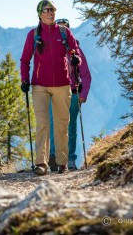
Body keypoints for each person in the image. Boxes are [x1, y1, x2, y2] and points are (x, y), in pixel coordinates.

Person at [20, 0, 81, 175]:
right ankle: (41, 163)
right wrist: (25, 80)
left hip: (62, 84)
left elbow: (74, 50)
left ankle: (62, 163)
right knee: (42, 124)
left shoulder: (63, 32)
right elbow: (25, 60)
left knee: (62, 124)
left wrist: (76, 58)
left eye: (53, 9)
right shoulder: (33, 35)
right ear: (40, 13)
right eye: (47, 10)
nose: (51, 12)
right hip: (40, 85)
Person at [48, 18, 92, 171]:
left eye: (65, 28)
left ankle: (70, 159)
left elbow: (86, 75)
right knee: (54, 125)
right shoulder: (51, 49)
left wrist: (83, 94)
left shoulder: (77, 51)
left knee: (71, 126)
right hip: (54, 92)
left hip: (73, 93)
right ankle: (54, 157)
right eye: (60, 28)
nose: (62, 31)